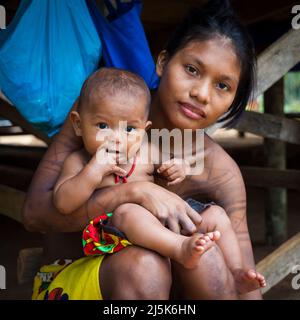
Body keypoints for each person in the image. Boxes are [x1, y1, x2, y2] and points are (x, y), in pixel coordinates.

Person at [23, 1, 263, 300]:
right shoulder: (106, 112)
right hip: (71, 281)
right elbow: (35, 214)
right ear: (162, 63)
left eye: (223, 86)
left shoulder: (220, 171)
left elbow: (246, 281)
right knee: (145, 265)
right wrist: (131, 193)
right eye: (191, 69)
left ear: (233, 100)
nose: (201, 93)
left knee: (208, 254)